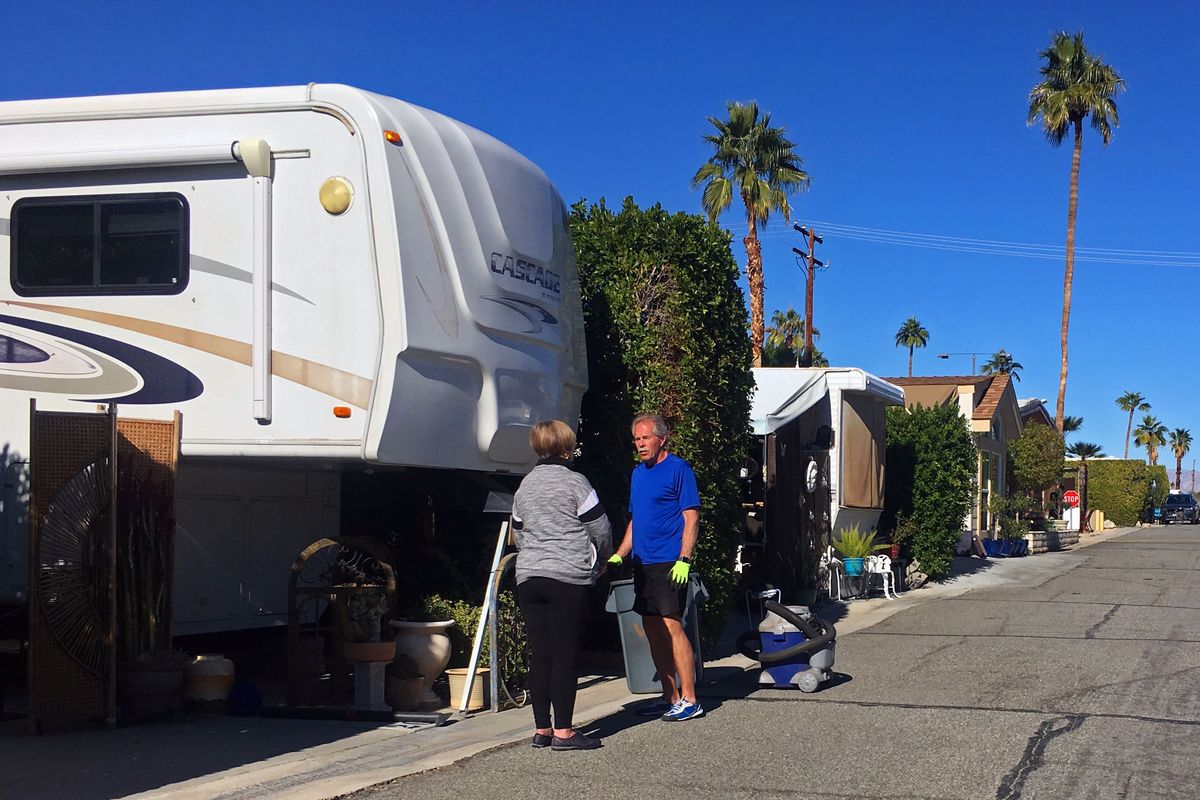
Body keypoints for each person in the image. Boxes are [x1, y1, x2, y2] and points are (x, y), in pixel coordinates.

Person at [512, 420, 612, 751]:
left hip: (529, 575)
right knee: (565, 654)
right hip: (566, 576)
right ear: (566, 449)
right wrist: (598, 561)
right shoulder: (575, 482)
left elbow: (518, 533)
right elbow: (600, 528)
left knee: (541, 654)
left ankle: (542, 729)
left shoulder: (525, 486)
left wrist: (533, 555)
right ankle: (565, 732)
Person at [607, 412, 703, 722]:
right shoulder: (638, 474)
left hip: (669, 563)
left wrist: (684, 559)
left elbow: (691, 517)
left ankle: (690, 699)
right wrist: (619, 554)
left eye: (645, 438)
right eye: (636, 439)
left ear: (662, 438)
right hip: (643, 563)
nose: (640, 444)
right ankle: (669, 696)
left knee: (672, 626)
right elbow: (637, 521)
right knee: (652, 628)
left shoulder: (679, 470)